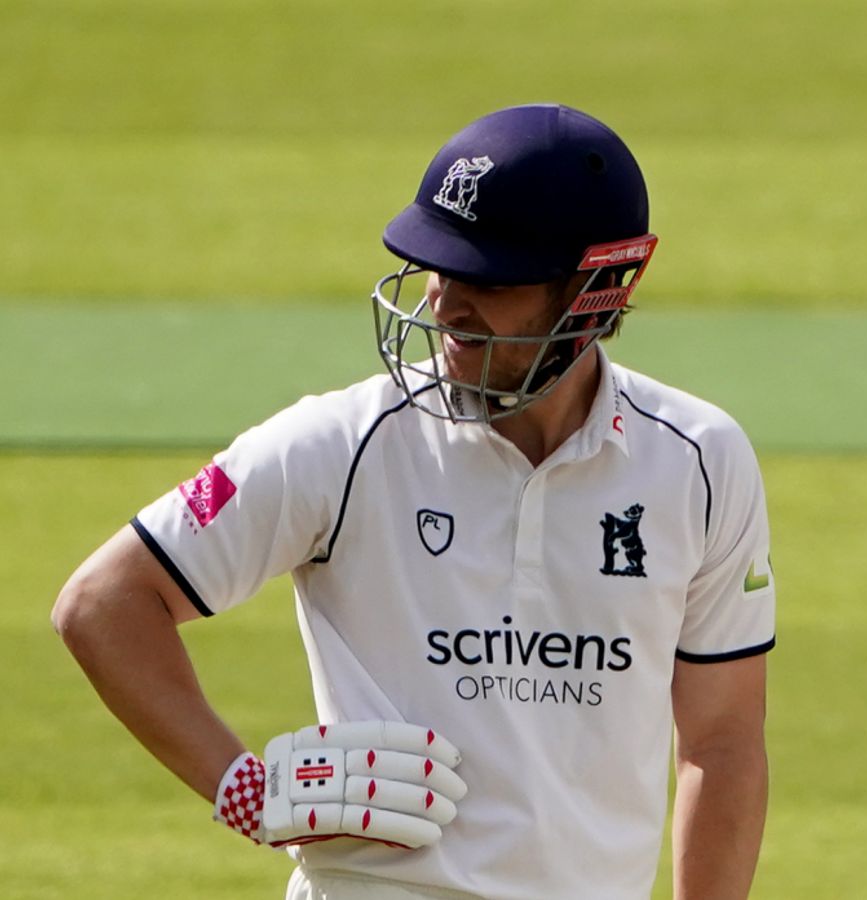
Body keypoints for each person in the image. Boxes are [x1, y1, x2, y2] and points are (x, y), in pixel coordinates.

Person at [53, 103, 776, 900]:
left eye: (488, 278)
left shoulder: (699, 460)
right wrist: (246, 791)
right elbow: (103, 602)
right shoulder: (340, 443)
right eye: (438, 264)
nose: (444, 301)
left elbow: (722, 737)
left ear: (597, 288)